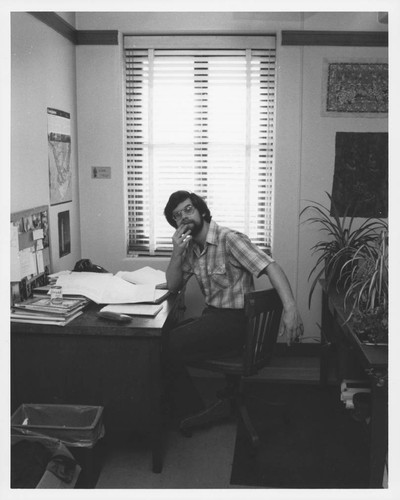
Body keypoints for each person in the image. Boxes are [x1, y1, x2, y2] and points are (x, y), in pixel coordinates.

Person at [162, 190, 304, 429]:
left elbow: (271, 267)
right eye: (177, 216)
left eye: (188, 209)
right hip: (214, 317)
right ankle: (195, 406)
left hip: (236, 322)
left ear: (201, 211)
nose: (184, 217)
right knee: (164, 337)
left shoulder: (229, 239)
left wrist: (290, 309)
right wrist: (176, 252)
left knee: (166, 345)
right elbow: (174, 285)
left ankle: (191, 411)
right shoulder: (191, 249)